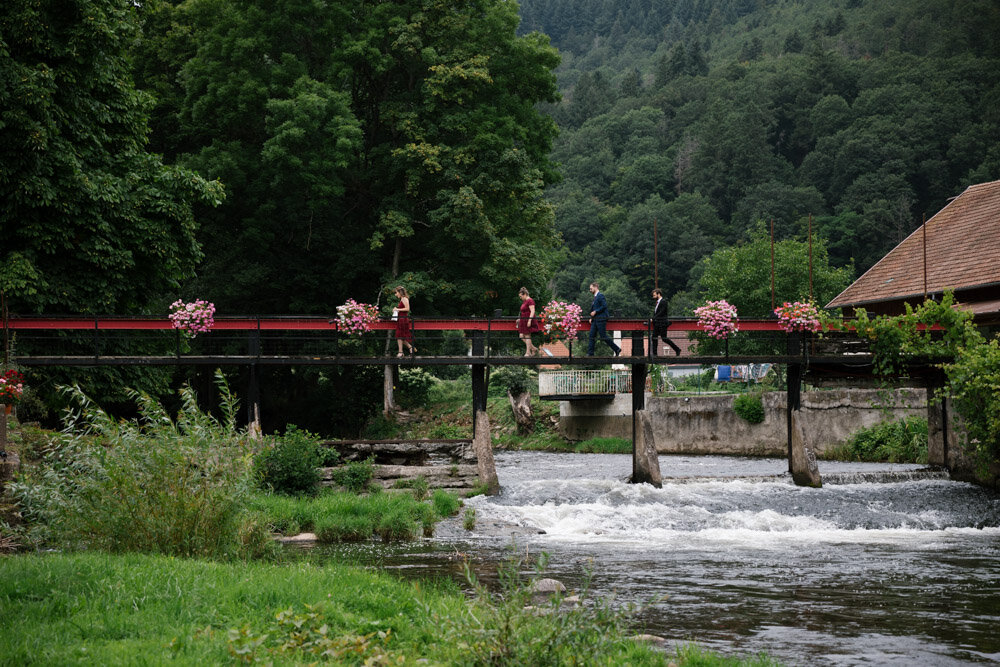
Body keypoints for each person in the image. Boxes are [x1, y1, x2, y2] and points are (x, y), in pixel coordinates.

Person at [587, 282, 620, 357]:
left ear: (595, 287)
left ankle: (616, 349)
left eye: (591, 288)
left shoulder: (600, 296)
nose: (590, 290)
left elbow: (604, 306)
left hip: (601, 319)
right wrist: (591, 318)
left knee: (603, 336)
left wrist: (596, 311)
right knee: (591, 336)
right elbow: (594, 309)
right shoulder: (595, 297)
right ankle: (590, 353)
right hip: (595, 319)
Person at [652, 288, 681, 356]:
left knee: (664, 338)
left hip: (662, 323)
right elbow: (657, 313)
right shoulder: (658, 303)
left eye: (654, 295)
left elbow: (661, 312)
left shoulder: (663, 302)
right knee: (654, 337)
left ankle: (677, 349)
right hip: (658, 323)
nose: (653, 297)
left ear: (658, 294)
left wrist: (653, 318)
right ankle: (655, 354)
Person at [517, 287, 541, 356]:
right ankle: (533, 348)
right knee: (521, 336)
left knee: (527, 335)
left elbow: (532, 311)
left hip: (528, 319)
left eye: (521, 296)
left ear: (524, 294)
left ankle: (528, 352)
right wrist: (520, 319)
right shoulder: (525, 302)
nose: (520, 298)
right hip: (523, 320)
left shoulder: (530, 301)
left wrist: (529, 320)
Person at [393, 286, 416, 356]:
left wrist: (397, 309)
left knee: (399, 335)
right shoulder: (402, 299)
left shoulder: (404, 299)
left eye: (396, 293)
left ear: (400, 292)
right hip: (401, 319)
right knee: (400, 335)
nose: (395, 294)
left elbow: (407, 309)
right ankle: (409, 348)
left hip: (403, 319)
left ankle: (401, 352)